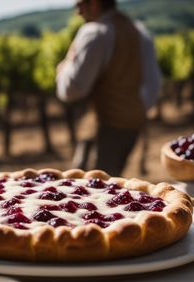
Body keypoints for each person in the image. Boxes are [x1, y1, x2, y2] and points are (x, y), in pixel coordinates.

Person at [56, 0, 161, 175]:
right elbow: (154, 83)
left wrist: (62, 68)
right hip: (131, 125)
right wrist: (133, 108)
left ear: (95, 4)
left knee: (92, 188)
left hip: (102, 126)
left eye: (80, 5)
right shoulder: (139, 31)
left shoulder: (94, 32)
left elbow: (72, 89)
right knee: (109, 182)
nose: (77, 12)